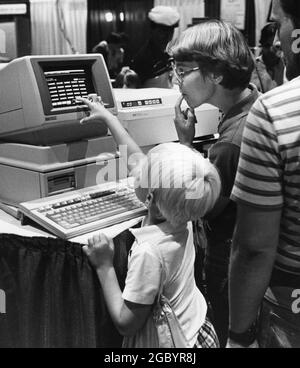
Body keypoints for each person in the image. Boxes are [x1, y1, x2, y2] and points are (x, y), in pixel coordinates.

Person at [75, 94, 221, 348]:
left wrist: (104, 266)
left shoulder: (149, 253)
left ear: (150, 199)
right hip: (199, 327)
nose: (137, 171)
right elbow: (136, 161)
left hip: (175, 344)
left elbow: (126, 322)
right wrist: (109, 118)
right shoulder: (183, 211)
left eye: (143, 174)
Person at [170, 20, 259, 347]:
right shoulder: (251, 103)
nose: (177, 80)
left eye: (183, 70)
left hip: (228, 267)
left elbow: (196, 204)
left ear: (216, 75)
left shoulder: (230, 143)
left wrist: (184, 146)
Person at [227, 0, 300, 348]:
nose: (275, 40)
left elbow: (255, 247)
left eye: (279, 23)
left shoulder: (274, 110)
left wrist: (239, 335)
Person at [130, 6, 179, 88]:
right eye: (162, 31)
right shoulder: (143, 57)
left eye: (170, 31)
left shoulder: (167, 53)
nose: (167, 36)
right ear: (152, 30)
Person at [251, 22, 285, 92]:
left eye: (275, 47)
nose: (271, 50)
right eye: (267, 45)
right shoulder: (253, 68)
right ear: (262, 45)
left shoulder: (287, 67)